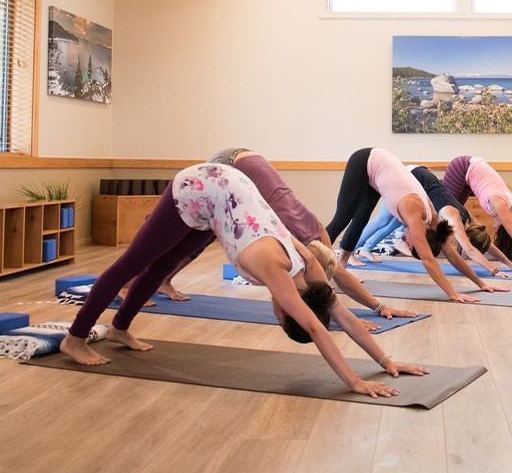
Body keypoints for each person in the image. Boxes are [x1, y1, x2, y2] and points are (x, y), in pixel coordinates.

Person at [61, 163, 428, 398]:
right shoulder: (277, 271)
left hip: (228, 196)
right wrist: (355, 382)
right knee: (133, 264)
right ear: (286, 312)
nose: (277, 313)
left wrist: (386, 360)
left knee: (159, 272)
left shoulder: (311, 271)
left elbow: (339, 315)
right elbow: (317, 328)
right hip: (201, 187)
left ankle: (120, 328)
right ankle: (75, 339)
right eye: (281, 317)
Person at [146, 149, 416, 330]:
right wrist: (351, 319)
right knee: (197, 234)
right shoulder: (292, 240)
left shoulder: (317, 236)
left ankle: (163, 280)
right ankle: (135, 282)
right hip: (231, 164)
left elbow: (336, 274)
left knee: (202, 235)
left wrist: (379, 307)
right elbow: (320, 284)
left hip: (247, 162)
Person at [326, 148, 507, 303]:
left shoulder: (433, 221)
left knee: (361, 219)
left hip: (380, 169)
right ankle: (316, 264)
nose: (405, 238)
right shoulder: (416, 214)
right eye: (411, 244)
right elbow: (428, 260)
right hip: (366, 160)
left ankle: (340, 269)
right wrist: (452, 293)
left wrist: (481, 284)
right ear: (419, 239)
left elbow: (452, 255)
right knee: (343, 218)